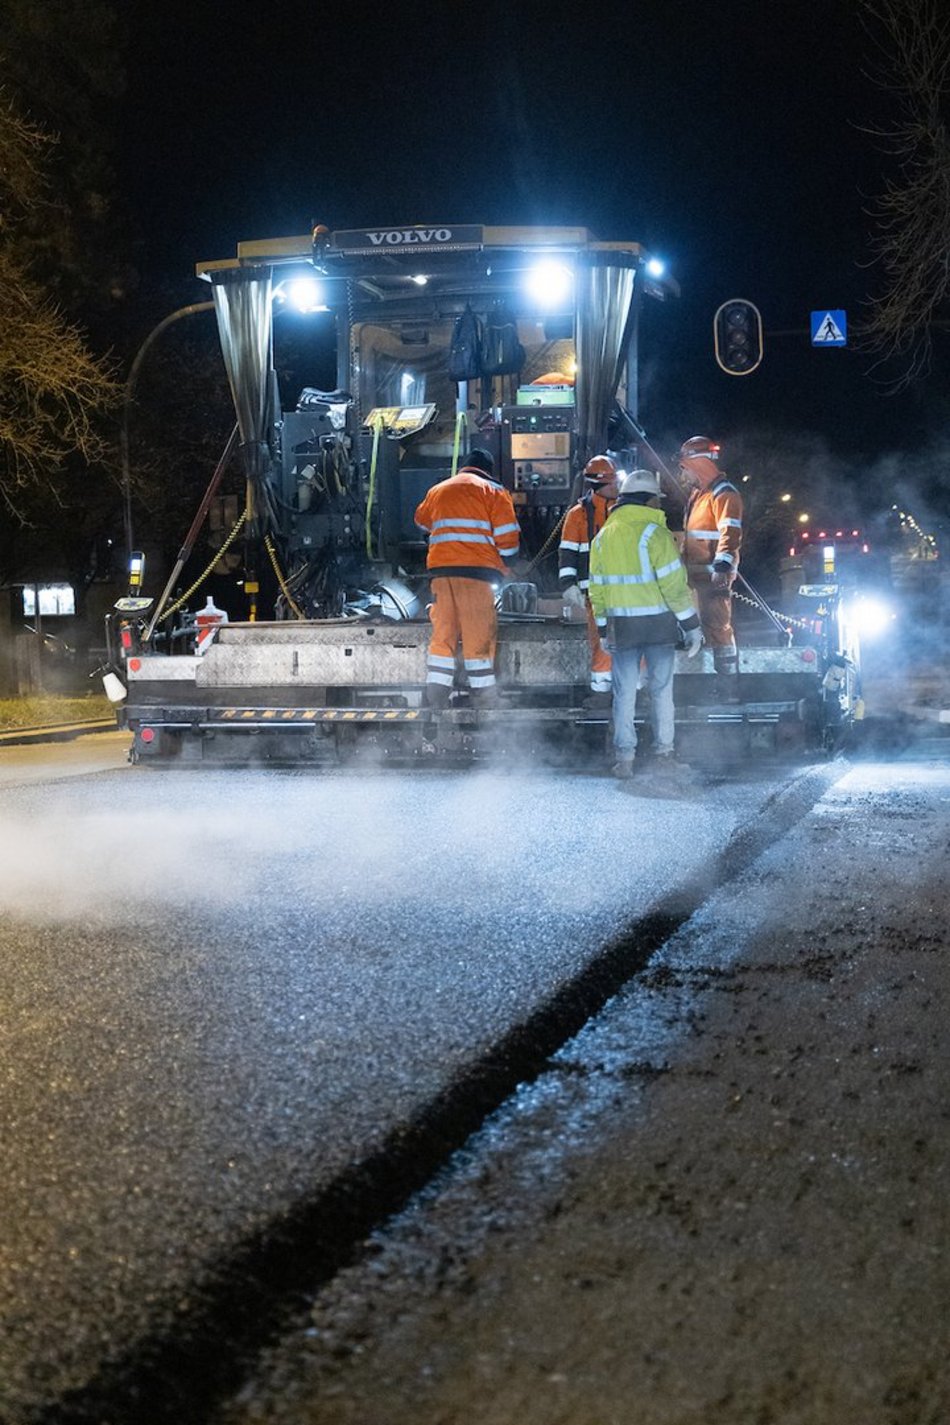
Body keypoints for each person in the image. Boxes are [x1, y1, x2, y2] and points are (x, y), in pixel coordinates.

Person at [589, 469, 703, 779]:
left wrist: (601, 629)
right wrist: (691, 625)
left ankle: (624, 759)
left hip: (622, 627)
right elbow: (674, 587)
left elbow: (596, 589)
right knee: (661, 690)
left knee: (624, 692)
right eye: (657, 500)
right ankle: (664, 754)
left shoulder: (602, 538)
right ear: (649, 499)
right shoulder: (655, 534)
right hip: (656, 626)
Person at [414, 447, 520, 708]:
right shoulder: (494, 492)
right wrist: (510, 564)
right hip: (476, 575)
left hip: (440, 574)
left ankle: (436, 693)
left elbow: (420, 522)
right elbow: (508, 542)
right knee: (478, 634)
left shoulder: (438, 489)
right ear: (488, 470)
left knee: (444, 632)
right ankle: (484, 695)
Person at [558, 454, 621, 707]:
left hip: (624, 589)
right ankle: (602, 691)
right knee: (601, 641)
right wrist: (567, 583)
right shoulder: (578, 515)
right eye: (613, 482)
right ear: (600, 483)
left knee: (629, 641)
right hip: (595, 592)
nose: (617, 486)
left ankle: (635, 690)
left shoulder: (623, 511)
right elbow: (568, 551)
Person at [678, 435, 744, 676]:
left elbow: (730, 532)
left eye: (685, 469)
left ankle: (728, 684)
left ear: (698, 465)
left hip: (714, 577)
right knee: (703, 629)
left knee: (718, 627)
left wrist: (722, 567)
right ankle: (711, 681)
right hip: (698, 578)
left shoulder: (723, 494)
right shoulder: (699, 496)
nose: (683, 477)